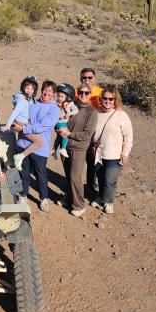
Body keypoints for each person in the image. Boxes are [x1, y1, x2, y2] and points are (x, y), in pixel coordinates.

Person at [13, 80, 60, 212]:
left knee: (41, 175)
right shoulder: (32, 103)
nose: (46, 93)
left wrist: (23, 129)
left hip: (39, 149)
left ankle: (43, 198)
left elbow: (42, 126)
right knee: (24, 173)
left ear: (53, 94)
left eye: (49, 91)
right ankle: (23, 195)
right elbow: (21, 116)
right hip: (23, 143)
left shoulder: (54, 109)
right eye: (45, 90)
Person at [57, 83, 98, 217]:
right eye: (81, 92)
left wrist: (70, 134)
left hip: (79, 148)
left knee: (75, 177)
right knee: (69, 176)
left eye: (86, 93)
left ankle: (79, 205)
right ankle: (70, 199)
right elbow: (63, 121)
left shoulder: (91, 111)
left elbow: (87, 134)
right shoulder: (72, 105)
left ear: (90, 95)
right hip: (65, 146)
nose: (83, 95)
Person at [90, 88, 133, 214]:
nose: (107, 101)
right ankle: (101, 197)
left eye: (110, 99)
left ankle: (108, 202)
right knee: (100, 177)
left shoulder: (121, 115)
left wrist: (125, 153)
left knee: (110, 179)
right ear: (101, 99)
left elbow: (128, 135)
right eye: (105, 98)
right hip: (97, 153)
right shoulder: (95, 112)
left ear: (115, 100)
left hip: (113, 154)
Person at [0, 76, 43, 170]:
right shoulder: (22, 100)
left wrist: (36, 83)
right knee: (40, 142)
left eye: (32, 89)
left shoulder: (25, 98)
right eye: (27, 88)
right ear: (23, 88)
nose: (29, 90)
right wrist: (8, 125)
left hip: (25, 123)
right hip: (21, 124)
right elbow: (14, 113)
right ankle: (20, 157)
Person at [75, 68, 103, 198]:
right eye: (84, 78)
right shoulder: (77, 92)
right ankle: (76, 188)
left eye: (89, 77)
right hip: (79, 133)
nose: (87, 80)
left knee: (94, 161)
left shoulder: (101, 93)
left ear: (94, 78)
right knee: (78, 162)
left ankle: (93, 187)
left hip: (96, 133)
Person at [51, 83, 78, 160]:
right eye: (58, 96)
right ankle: (63, 148)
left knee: (59, 137)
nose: (59, 98)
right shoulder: (55, 103)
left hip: (63, 122)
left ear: (68, 97)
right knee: (65, 135)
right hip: (59, 122)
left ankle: (54, 150)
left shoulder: (70, 104)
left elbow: (76, 110)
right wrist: (58, 115)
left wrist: (70, 113)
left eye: (62, 97)